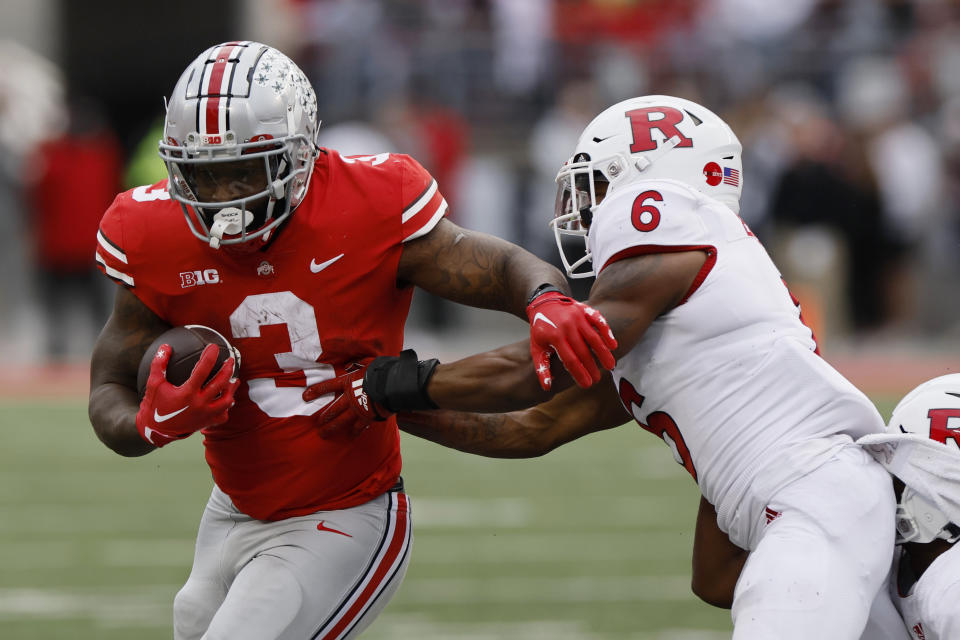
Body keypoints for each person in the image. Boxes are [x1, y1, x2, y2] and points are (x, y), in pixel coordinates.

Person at [306, 95, 898, 639]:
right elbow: (532, 426)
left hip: (815, 496)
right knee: (717, 581)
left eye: (595, 186)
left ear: (644, 181)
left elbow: (543, 368)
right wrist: (384, 405)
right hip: (817, 499)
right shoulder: (674, 318)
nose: (582, 210)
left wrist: (391, 383)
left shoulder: (666, 216)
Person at [87, 41, 616, 640]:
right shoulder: (147, 230)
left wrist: (545, 299)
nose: (223, 200)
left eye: (244, 171)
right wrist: (148, 424)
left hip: (346, 512)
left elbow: (494, 267)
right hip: (231, 509)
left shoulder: (369, 202)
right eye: (203, 176)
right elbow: (107, 387)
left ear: (299, 154)